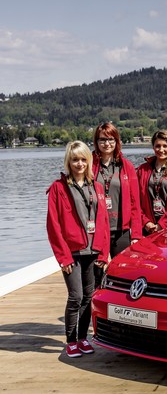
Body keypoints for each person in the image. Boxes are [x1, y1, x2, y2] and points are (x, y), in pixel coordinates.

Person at [46, 141, 110, 358]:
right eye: (75, 159)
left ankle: (83, 338)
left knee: (88, 297)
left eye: (83, 159)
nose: (79, 163)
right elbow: (53, 225)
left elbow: (103, 222)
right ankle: (71, 341)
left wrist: (103, 252)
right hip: (72, 253)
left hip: (93, 252)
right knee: (75, 296)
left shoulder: (97, 187)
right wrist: (63, 258)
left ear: (89, 161)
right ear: (68, 162)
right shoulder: (59, 187)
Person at [91, 122, 142, 261]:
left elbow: (135, 203)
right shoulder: (88, 165)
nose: (107, 143)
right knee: (96, 274)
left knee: (123, 271)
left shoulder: (127, 166)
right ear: (96, 142)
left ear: (116, 141)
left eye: (111, 139)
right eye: (102, 139)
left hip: (121, 230)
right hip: (96, 230)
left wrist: (136, 235)